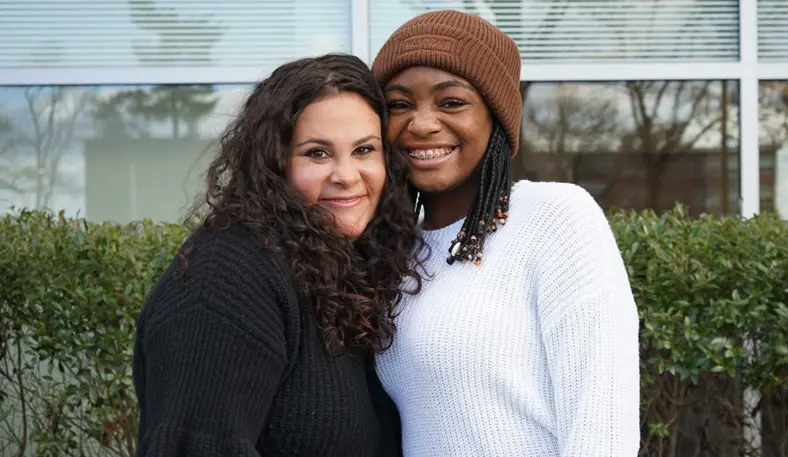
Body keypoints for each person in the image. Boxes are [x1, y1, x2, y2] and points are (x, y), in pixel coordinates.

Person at [371, 10, 641, 456]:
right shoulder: (397, 253)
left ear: (496, 118)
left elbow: (603, 428)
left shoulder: (554, 218)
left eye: (451, 102)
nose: (421, 124)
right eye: (399, 104)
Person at [132, 54, 420, 457]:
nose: (346, 175)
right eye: (318, 153)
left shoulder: (336, 270)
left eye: (364, 150)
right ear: (274, 163)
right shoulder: (225, 280)